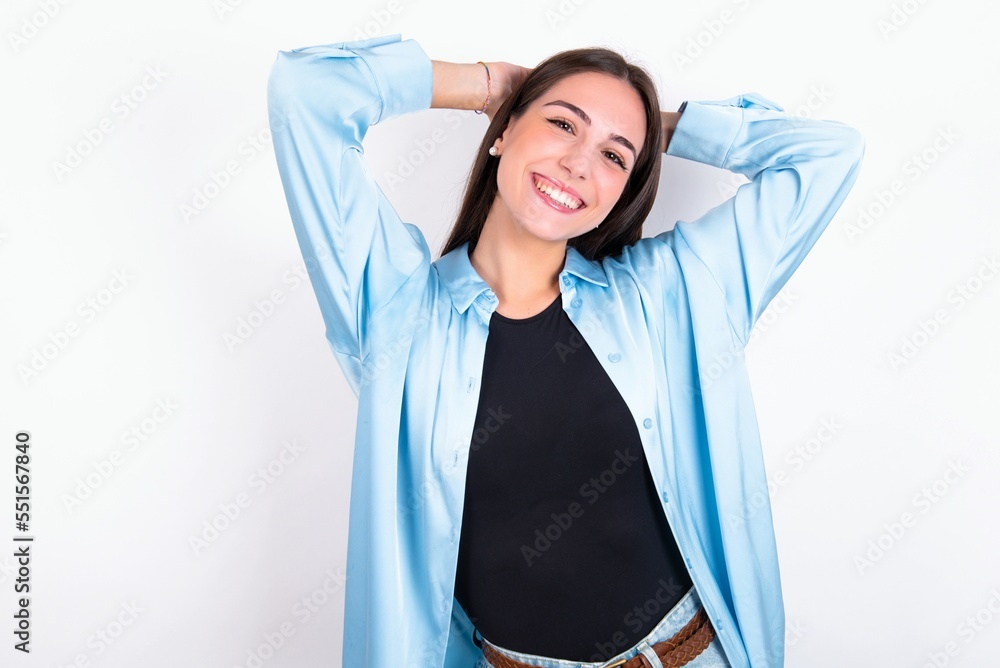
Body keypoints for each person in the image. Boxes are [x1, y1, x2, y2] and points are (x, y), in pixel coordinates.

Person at [266, 32, 864, 668]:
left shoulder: (671, 294)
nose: (580, 162)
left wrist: (653, 130)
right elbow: (306, 94)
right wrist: (488, 85)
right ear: (502, 131)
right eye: (560, 124)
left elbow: (828, 156)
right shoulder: (395, 313)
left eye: (613, 157)